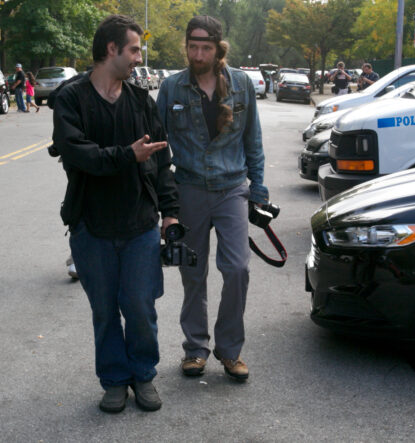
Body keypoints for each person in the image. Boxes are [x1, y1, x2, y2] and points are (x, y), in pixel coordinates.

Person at [51, 14, 179, 413]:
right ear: (112, 50)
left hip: (140, 223)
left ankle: (143, 375)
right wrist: (127, 155)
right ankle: (113, 380)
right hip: (92, 227)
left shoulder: (141, 102)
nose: (139, 57)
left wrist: (170, 214)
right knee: (104, 312)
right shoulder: (71, 100)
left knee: (140, 308)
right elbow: (78, 154)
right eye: (135, 49)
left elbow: (161, 163)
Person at [157, 15, 268, 381]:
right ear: (187, 45)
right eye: (193, 46)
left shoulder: (241, 84)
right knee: (193, 273)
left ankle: (230, 349)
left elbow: (252, 139)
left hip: (232, 187)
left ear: (218, 48)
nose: (198, 53)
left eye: (205, 47)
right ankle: (195, 348)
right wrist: (165, 204)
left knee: (237, 269)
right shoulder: (172, 88)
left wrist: (259, 188)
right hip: (188, 188)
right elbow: (159, 149)